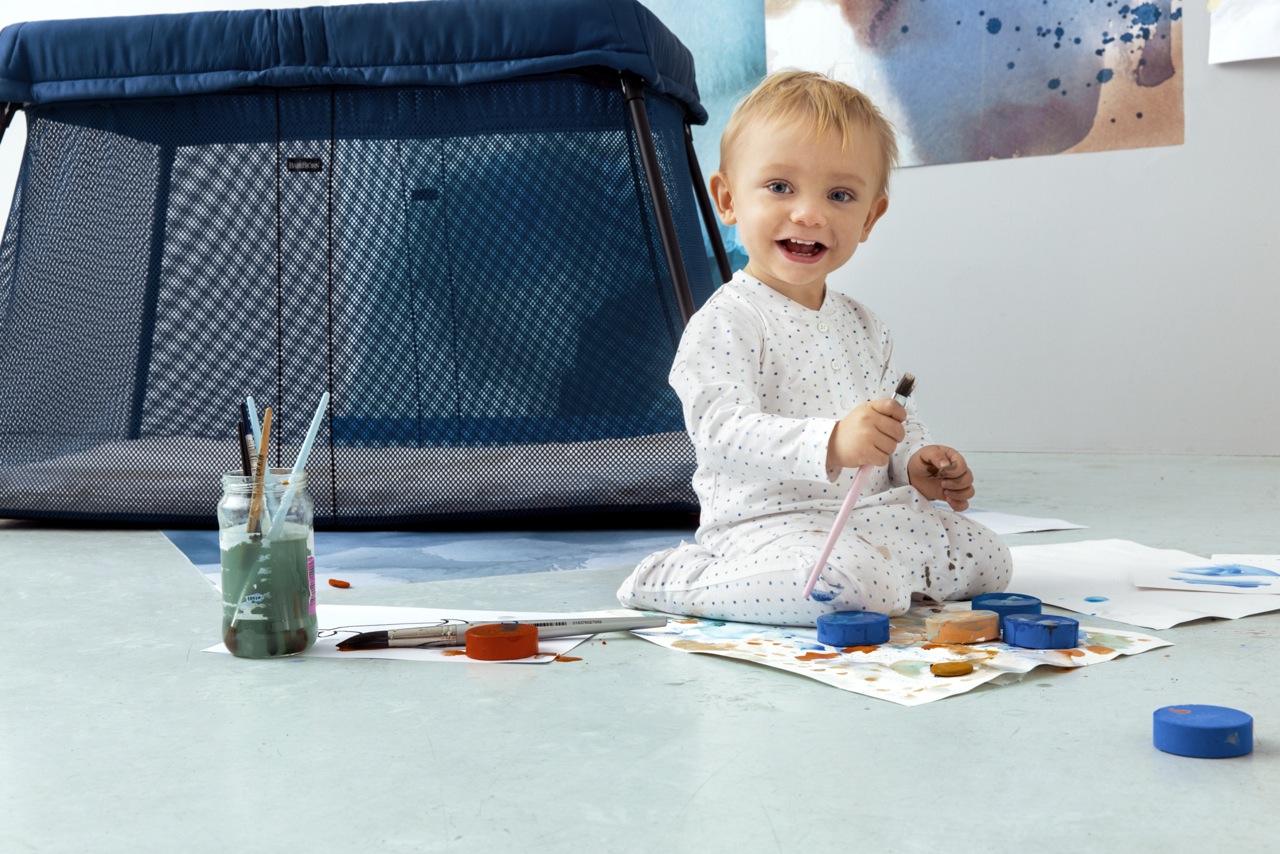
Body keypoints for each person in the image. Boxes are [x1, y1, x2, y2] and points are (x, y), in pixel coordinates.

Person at [616, 70, 1011, 626]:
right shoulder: (729, 320)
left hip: (869, 516)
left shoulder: (866, 325)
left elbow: (896, 423)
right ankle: (676, 579)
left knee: (990, 559)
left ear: (869, 217)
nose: (809, 214)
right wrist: (831, 441)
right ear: (728, 199)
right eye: (780, 187)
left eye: (839, 195)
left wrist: (914, 463)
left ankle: (882, 580)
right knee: (849, 589)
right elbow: (720, 431)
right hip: (770, 525)